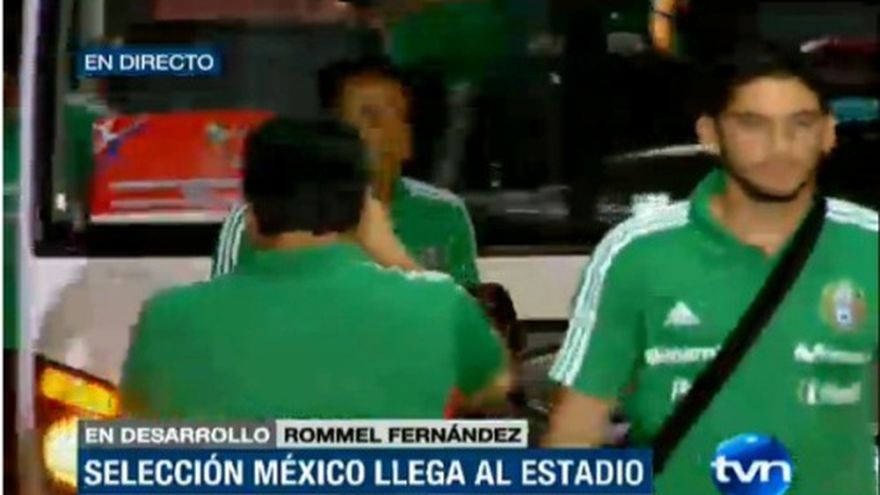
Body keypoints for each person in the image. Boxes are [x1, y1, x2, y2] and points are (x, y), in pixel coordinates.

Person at [545, 42, 877, 495]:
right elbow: (574, 435)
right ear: (709, 133)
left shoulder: (869, 244)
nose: (780, 147)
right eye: (752, 124)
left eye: (800, 124)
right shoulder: (635, 254)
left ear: (828, 133)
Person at [120, 118, 509, 419]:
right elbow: (495, 385)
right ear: (364, 210)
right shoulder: (439, 305)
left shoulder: (166, 319)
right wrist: (394, 254)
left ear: (251, 212)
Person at [211, 58, 481, 287]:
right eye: (371, 117)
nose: (390, 130)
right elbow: (224, 310)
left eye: (399, 115)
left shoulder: (445, 213)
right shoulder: (260, 216)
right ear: (333, 134)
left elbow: (466, 318)